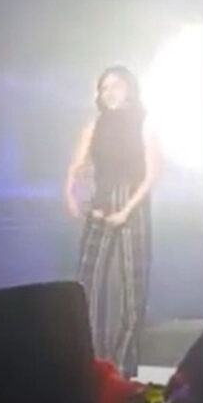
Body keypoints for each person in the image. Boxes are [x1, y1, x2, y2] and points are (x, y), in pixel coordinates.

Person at [64, 65, 161, 378]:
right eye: (104, 88)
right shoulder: (95, 124)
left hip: (132, 201)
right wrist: (72, 194)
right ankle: (90, 360)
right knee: (87, 284)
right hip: (101, 201)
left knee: (133, 288)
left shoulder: (144, 123)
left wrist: (127, 209)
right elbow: (77, 164)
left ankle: (122, 367)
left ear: (129, 88)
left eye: (116, 86)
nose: (110, 93)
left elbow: (152, 174)